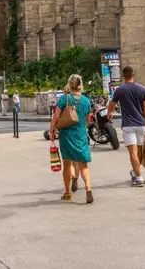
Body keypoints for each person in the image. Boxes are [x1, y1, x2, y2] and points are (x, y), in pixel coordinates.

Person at [49, 74, 94, 203]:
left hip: (67, 135)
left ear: (69, 84)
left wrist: (52, 130)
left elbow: (56, 116)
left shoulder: (64, 98)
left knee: (67, 164)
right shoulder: (86, 101)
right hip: (81, 134)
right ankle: (88, 189)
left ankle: (68, 192)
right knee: (83, 164)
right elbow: (87, 120)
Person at [107, 65, 145, 187]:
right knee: (139, 151)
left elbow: (111, 104)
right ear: (133, 75)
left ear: (123, 76)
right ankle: (135, 172)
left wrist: (109, 113)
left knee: (133, 152)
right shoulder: (142, 89)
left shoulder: (119, 90)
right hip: (141, 124)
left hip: (128, 124)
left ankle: (138, 177)